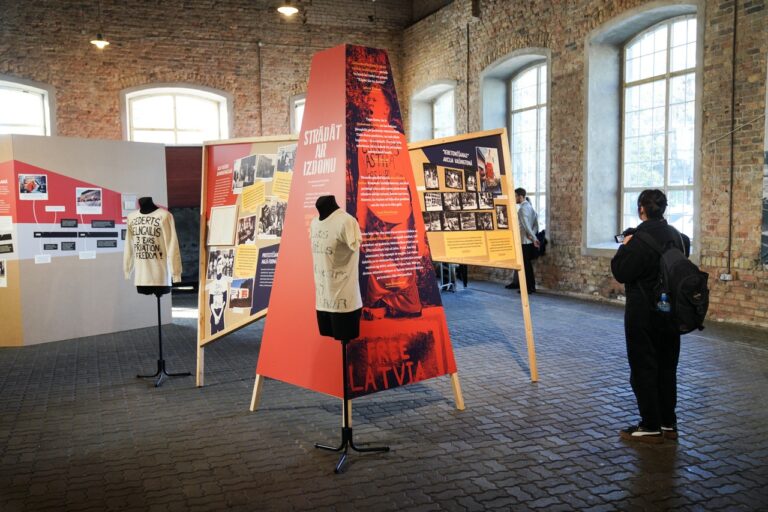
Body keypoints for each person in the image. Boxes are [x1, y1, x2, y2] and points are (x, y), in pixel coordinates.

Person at [611, 189, 690, 443]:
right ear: (663, 209)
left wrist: (624, 247)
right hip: (671, 313)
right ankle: (668, 422)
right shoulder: (679, 237)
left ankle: (650, 425)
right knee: (668, 367)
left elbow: (621, 272)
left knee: (644, 367)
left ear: (641, 209)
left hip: (643, 313)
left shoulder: (638, 240)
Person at [506, 188, 539, 293]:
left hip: (524, 241)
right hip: (527, 240)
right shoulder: (530, 207)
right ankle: (531, 287)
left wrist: (533, 237)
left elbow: (525, 225)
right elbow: (535, 224)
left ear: (520, 196)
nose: (514, 198)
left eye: (515, 196)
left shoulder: (522, 209)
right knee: (527, 265)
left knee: (525, 266)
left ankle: (528, 288)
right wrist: (533, 235)